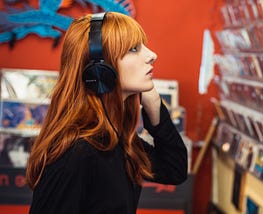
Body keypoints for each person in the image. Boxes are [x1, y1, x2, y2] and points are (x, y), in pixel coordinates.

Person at [26, 11, 188, 214]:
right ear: (99, 70)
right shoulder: (78, 151)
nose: (151, 55)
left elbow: (174, 170)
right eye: (133, 49)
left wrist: (154, 105)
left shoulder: (114, 137)